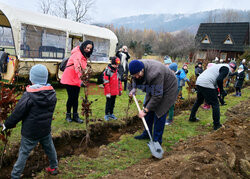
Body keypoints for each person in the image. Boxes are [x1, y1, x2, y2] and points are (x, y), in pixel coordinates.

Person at [1, 64, 58, 178]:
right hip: (45, 130)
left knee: (23, 153)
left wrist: (7, 124)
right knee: (50, 148)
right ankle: (54, 167)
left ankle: (15, 176)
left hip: (30, 132)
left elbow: (17, 113)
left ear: (32, 78)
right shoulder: (52, 94)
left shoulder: (28, 96)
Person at [129, 59, 178, 145]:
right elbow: (135, 79)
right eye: (134, 75)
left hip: (169, 88)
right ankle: (146, 134)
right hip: (155, 86)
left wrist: (144, 111)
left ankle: (157, 141)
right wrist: (134, 88)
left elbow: (157, 96)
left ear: (142, 70)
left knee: (159, 112)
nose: (136, 76)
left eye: (137, 74)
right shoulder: (137, 67)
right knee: (148, 108)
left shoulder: (155, 74)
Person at [189, 62, 237, 130]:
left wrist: (218, 92)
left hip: (199, 81)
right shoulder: (226, 69)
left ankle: (192, 118)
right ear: (233, 70)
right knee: (215, 104)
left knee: (199, 101)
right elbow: (219, 80)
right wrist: (222, 90)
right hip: (207, 83)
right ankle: (216, 125)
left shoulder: (221, 66)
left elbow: (216, 80)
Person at [60, 40, 94, 123]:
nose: (88, 50)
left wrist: (84, 77)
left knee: (75, 98)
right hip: (69, 78)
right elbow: (77, 67)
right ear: (83, 46)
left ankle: (75, 116)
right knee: (71, 97)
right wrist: (81, 78)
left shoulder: (84, 55)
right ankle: (68, 115)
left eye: (90, 49)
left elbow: (83, 68)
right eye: (87, 47)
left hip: (76, 79)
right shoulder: (77, 53)